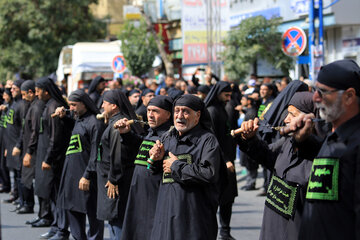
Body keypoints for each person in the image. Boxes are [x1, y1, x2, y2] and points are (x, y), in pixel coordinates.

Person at [237, 91, 322, 240]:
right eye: (287, 113)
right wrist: (250, 139)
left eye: (293, 115)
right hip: (272, 227)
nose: (286, 119)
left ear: (310, 120)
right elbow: (267, 156)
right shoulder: (287, 143)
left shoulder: (322, 154)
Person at [299, 60, 360, 240]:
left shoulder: (355, 143)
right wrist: (300, 139)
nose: (315, 98)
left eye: (323, 92)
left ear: (349, 96)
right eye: (315, 91)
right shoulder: (333, 137)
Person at [149, 94, 224, 240]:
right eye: (177, 111)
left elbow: (209, 173)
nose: (180, 116)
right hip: (166, 212)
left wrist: (176, 166)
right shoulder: (167, 137)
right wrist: (156, 160)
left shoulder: (207, 140)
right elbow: (155, 171)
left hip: (193, 217)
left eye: (185, 111)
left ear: (198, 115)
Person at [120, 95, 173, 240]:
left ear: (168, 114)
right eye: (149, 110)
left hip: (155, 195)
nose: (150, 114)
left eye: (155, 111)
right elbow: (141, 146)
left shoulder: (170, 136)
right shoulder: (152, 132)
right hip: (138, 193)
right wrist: (127, 134)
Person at [55, 89, 105, 240]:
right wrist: (64, 119)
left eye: (74, 105)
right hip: (71, 174)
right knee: (73, 209)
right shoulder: (79, 119)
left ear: (84, 104)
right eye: (69, 105)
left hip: (87, 177)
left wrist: (87, 175)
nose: (71, 108)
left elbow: (96, 152)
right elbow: (78, 132)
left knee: (92, 213)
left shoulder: (95, 122)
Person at [97, 89, 144, 240]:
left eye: (105, 103)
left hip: (116, 182)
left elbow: (118, 154)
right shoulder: (113, 121)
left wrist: (113, 178)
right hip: (114, 178)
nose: (102, 106)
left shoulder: (119, 124)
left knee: (117, 219)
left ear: (114, 106)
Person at [34, 77, 73, 240]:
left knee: (58, 195)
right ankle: (56, 226)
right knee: (51, 193)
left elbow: (55, 138)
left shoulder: (55, 107)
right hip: (48, 156)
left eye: (38, 91)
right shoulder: (47, 105)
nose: (36, 94)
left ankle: (62, 230)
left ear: (46, 91)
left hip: (55, 159)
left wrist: (48, 158)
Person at [204, 81, 238, 240]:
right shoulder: (212, 111)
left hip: (228, 160)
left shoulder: (222, 109)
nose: (228, 98)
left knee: (228, 198)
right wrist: (225, 160)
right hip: (219, 163)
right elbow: (213, 139)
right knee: (215, 200)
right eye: (226, 95)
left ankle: (225, 232)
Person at [17, 80, 45, 214]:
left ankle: (40, 212)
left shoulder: (37, 107)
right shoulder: (31, 105)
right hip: (29, 148)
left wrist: (29, 151)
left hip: (34, 150)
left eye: (24, 94)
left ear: (30, 92)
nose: (22, 98)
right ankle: (28, 204)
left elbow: (35, 131)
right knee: (25, 178)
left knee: (35, 180)